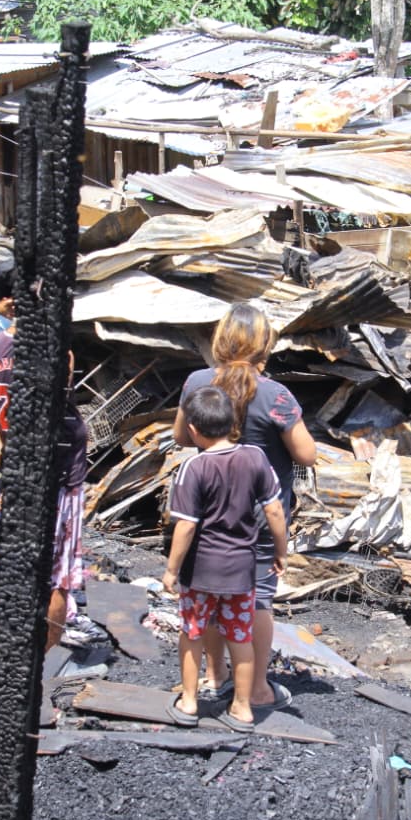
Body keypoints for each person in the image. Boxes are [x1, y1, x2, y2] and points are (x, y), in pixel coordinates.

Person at [172, 303, 316, 711]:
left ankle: (215, 676)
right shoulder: (276, 395)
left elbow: (181, 436)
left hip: (208, 514)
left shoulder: (197, 382)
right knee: (257, 600)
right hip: (259, 519)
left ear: (221, 339)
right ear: (263, 345)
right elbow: (306, 455)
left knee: (209, 592)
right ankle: (256, 690)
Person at [164, 386, 288, 732]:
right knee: (240, 636)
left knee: (192, 632)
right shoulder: (255, 458)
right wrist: (281, 551)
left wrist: (171, 569)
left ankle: (190, 702)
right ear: (234, 423)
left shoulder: (193, 467)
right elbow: (274, 511)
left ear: (193, 430)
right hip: (241, 573)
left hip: (200, 573)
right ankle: (243, 708)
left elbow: (186, 526)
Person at [0, 325, 92, 651]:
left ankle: (18, 647)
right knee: (57, 576)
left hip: (19, 471)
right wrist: (25, 474)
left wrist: (9, 466)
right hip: (57, 475)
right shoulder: (55, 347)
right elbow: (43, 421)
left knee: (21, 565)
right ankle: (45, 660)